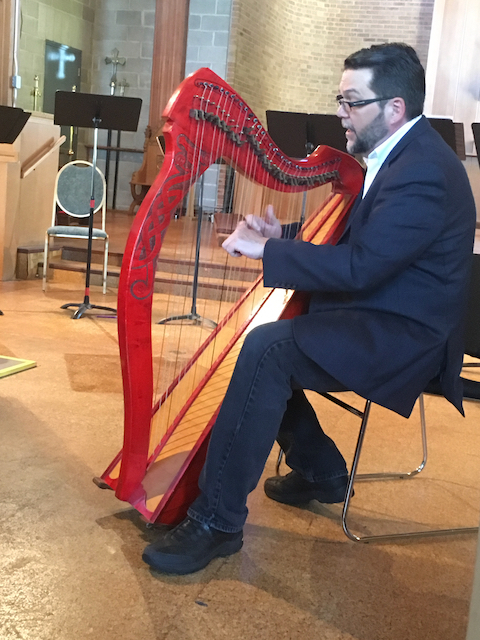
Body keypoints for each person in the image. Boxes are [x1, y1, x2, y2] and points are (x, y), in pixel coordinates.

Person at [142, 43, 476, 574]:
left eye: (351, 102)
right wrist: (286, 236)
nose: (340, 113)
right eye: (339, 99)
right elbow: (366, 246)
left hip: (404, 335)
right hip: (377, 308)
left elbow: (363, 266)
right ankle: (320, 469)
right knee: (275, 340)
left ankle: (217, 521)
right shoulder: (403, 155)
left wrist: (270, 252)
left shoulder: (424, 172)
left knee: (268, 348)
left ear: (394, 108)